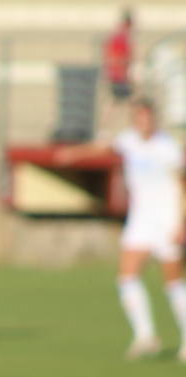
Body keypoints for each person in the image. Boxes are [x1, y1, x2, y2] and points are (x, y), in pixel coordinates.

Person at [58, 98, 186, 360]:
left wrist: (181, 223)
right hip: (141, 219)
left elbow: (182, 187)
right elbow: (102, 148)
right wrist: (73, 153)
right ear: (135, 120)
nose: (144, 123)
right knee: (127, 276)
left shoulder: (168, 148)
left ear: (155, 119)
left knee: (173, 282)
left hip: (167, 219)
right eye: (139, 118)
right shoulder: (129, 140)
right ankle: (145, 335)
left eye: (148, 118)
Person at [104, 9, 135, 104]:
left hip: (118, 75)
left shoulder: (121, 35)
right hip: (118, 76)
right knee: (118, 101)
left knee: (118, 101)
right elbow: (116, 57)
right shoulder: (121, 37)